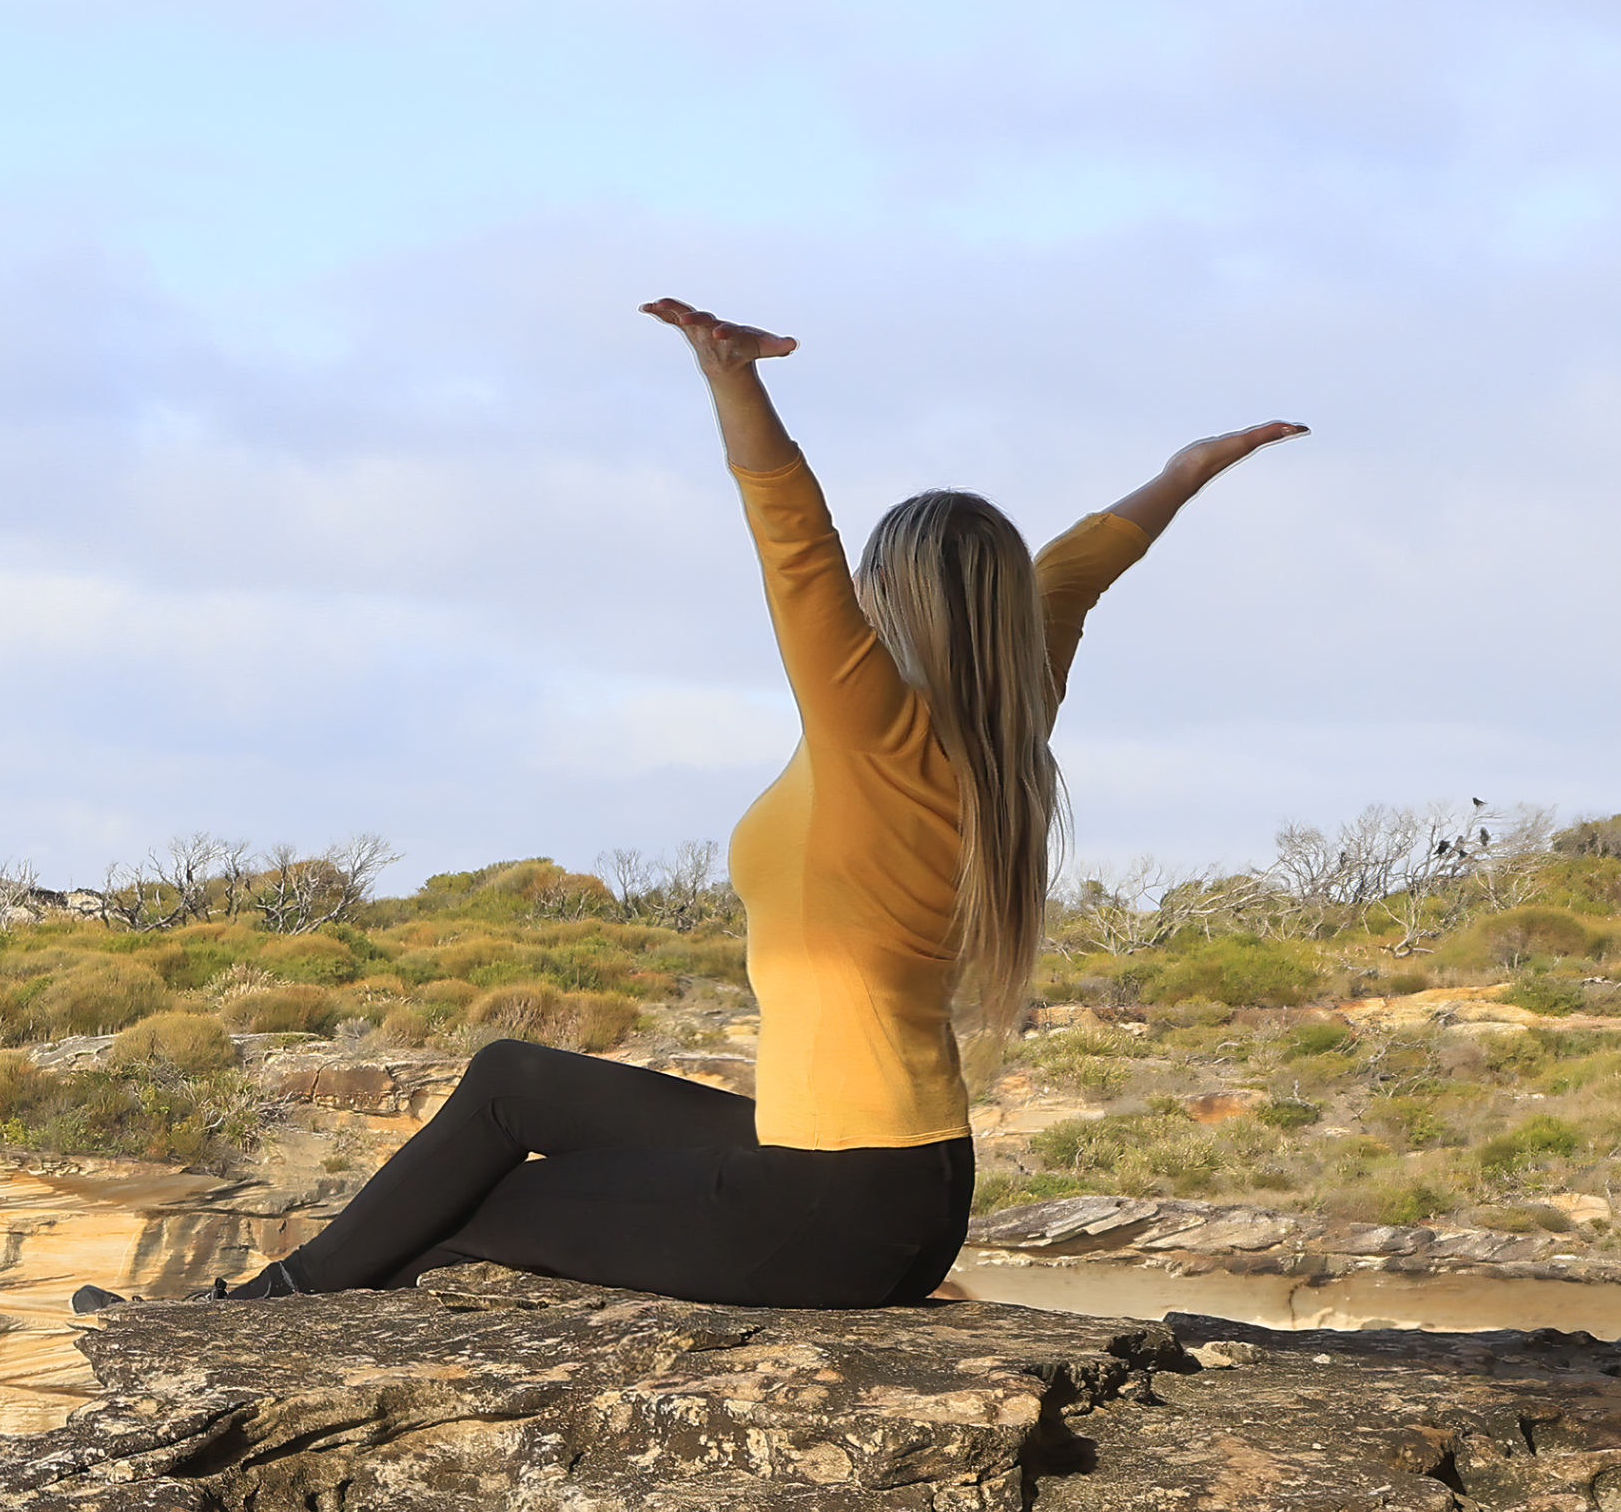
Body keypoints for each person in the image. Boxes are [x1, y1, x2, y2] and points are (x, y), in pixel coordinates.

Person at [256, 303, 1302, 1313]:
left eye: (867, 582)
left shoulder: (872, 729)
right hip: (903, 1189)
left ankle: (255, 1319)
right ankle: (268, 1302)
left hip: (827, 1206)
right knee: (508, 1080)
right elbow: (1076, 571)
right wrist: (1182, 473)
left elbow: (792, 540)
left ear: (890, 594)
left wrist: (731, 379)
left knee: (476, 1200)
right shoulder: (1008, 725)